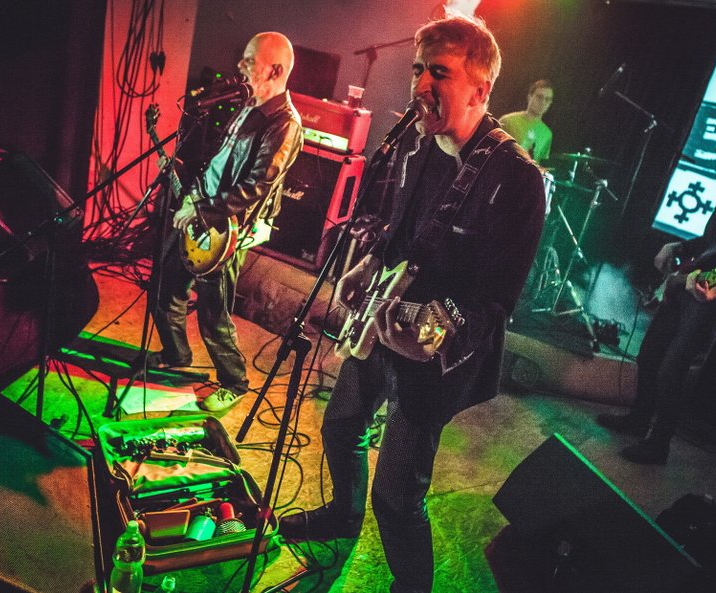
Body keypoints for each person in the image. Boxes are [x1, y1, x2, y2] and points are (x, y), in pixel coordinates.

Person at [278, 16, 545, 593]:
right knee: (340, 426)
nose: (421, 84)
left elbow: (496, 299)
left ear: (480, 89)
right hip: (382, 322)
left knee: (397, 494)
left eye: (439, 73)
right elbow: (398, 231)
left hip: (436, 355)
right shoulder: (416, 145)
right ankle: (342, 515)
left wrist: (435, 328)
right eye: (418, 69)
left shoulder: (517, 179)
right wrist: (366, 266)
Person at [597, 135, 716, 464]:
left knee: (672, 369)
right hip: (686, 285)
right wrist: (678, 246)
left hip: (706, 297)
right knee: (650, 353)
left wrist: (707, 281)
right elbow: (713, 242)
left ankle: (659, 444)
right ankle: (639, 418)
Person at [151, 32, 303, 413]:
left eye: (249, 60)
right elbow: (218, 163)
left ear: (275, 70)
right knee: (165, 287)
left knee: (212, 314)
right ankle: (176, 354)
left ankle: (234, 382)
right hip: (198, 212)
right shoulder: (248, 106)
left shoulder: (285, 124)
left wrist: (202, 211)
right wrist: (191, 193)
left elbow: (256, 187)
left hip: (224, 231)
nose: (240, 66)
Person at [498, 78, 554, 163]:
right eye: (539, 97)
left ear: (550, 103)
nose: (543, 102)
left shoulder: (547, 134)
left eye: (547, 99)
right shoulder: (507, 121)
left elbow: (540, 164)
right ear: (529, 97)